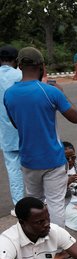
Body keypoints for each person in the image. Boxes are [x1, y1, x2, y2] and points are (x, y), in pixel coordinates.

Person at [4, 47, 77, 228]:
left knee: (35, 202)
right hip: (52, 158)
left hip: (28, 159)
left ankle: (38, 239)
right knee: (55, 203)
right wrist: (62, 92)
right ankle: (58, 249)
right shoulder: (50, 91)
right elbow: (75, 117)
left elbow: (16, 124)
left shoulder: (9, 94)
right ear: (42, 66)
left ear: (19, 65)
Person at [0, 45, 23, 211]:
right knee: (33, 166)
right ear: (16, 60)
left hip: (5, 132)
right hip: (24, 129)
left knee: (13, 169)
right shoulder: (21, 75)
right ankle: (39, 201)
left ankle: (19, 206)